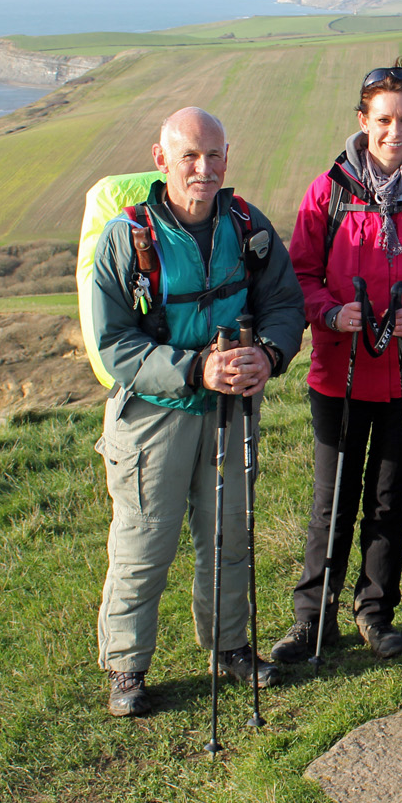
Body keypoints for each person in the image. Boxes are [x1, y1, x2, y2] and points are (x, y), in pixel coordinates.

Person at [91, 107, 304, 718]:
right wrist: (192, 369)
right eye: (189, 156)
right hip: (153, 416)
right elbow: (114, 345)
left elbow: (285, 303)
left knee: (229, 533)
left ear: (227, 159)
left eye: (214, 156)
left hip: (231, 411)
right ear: (162, 160)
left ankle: (230, 646)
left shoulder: (247, 226)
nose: (202, 169)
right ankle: (127, 668)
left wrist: (268, 354)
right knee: (142, 541)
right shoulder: (128, 239)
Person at [274, 62, 402, 661]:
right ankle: (314, 617)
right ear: (363, 122)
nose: (396, 131)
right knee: (332, 498)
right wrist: (330, 314)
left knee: (389, 494)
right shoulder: (328, 191)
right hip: (339, 373)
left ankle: (374, 611)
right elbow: (298, 276)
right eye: (384, 119)